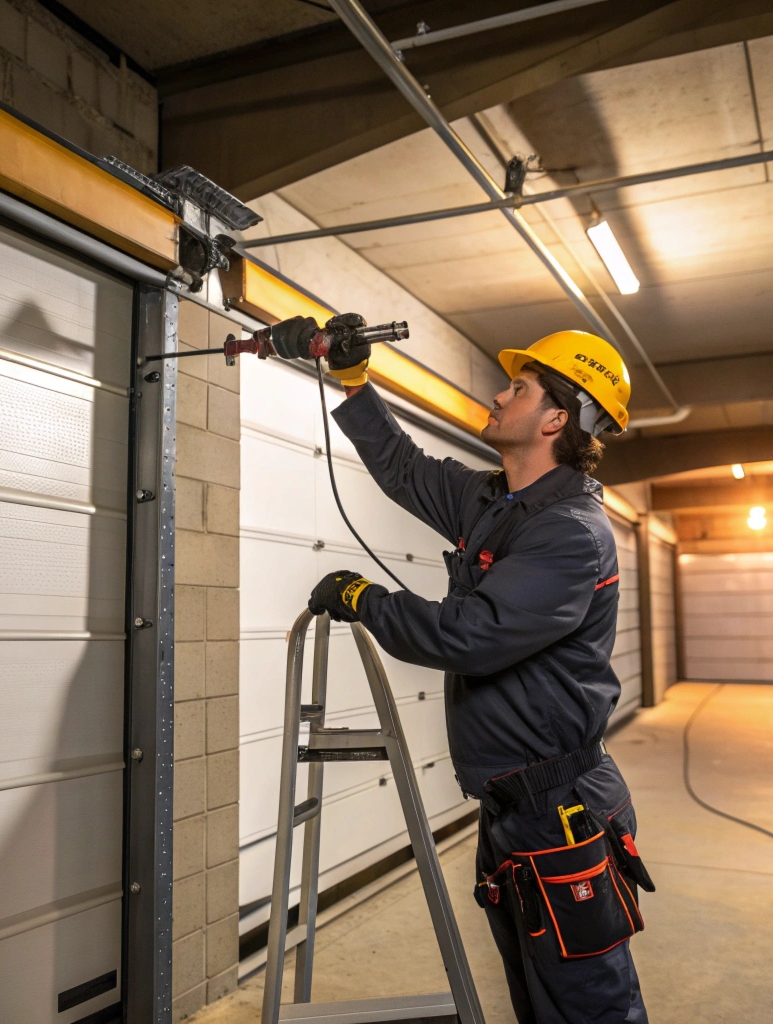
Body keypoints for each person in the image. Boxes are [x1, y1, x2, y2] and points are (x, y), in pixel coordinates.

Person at [271, 315, 654, 1024]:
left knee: (591, 1008)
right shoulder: (494, 503)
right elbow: (404, 469)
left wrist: (367, 600)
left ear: (555, 419)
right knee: (540, 1001)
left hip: (560, 813)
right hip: (515, 808)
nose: (499, 394)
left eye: (519, 386)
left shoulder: (569, 532)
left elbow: (474, 636)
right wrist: (354, 380)